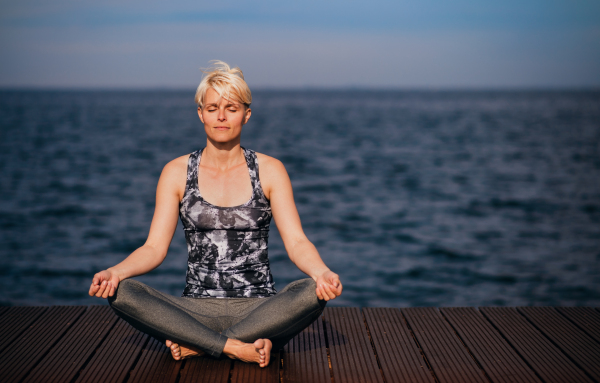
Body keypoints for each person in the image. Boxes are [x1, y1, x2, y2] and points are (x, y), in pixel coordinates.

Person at [88, 61, 342, 368]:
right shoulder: (176, 172)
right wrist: (115, 272)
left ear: (246, 114)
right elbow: (154, 248)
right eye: (212, 108)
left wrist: (322, 273)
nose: (221, 116)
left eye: (231, 108)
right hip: (196, 308)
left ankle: (203, 344)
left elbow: (298, 242)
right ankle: (236, 346)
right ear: (200, 113)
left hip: (260, 309)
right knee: (123, 291)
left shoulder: (270, 170)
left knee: (310, 292)